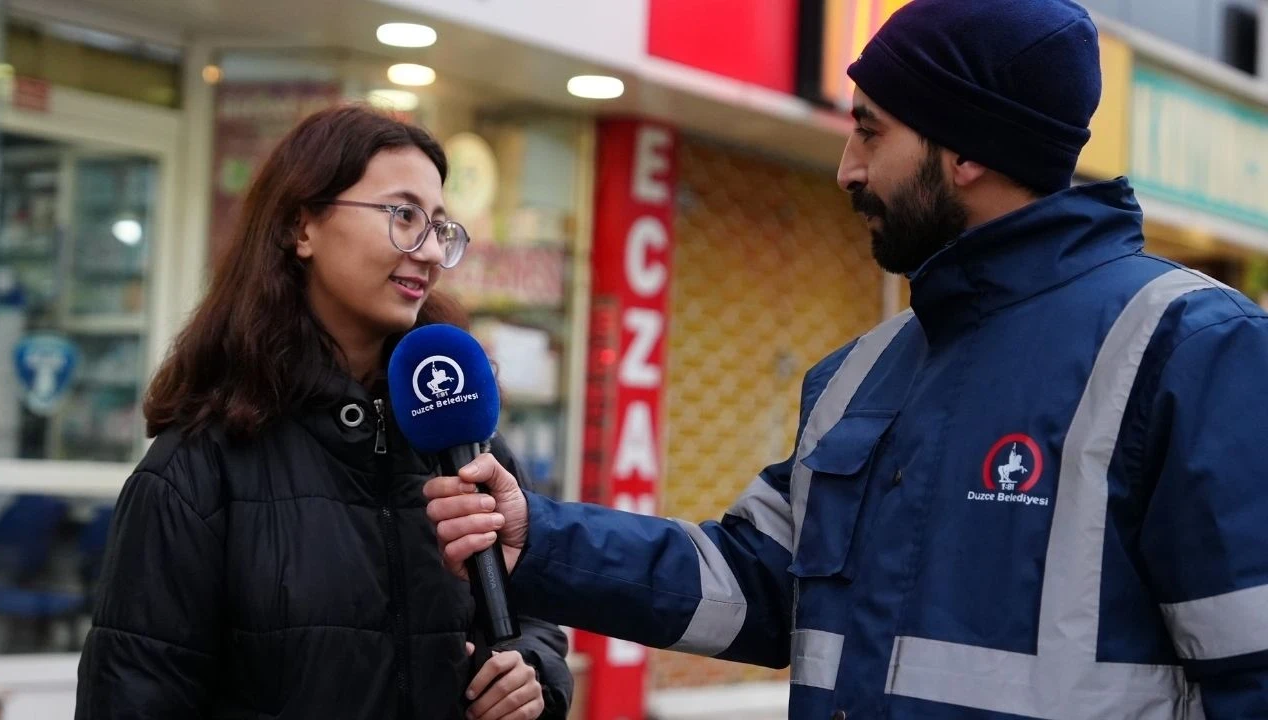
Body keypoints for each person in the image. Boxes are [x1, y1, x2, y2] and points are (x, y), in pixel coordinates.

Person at [423, 1, 1268, 718]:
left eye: (870, 131)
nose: (846, 169)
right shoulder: (856, 374)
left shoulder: (1190, 348)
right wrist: (542, 536)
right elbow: (756, 587)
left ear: (967, 149)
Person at [75, 104, 571, 720]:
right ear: (300, 227)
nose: (426, 251)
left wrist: (532, 678)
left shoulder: (461, 437)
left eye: (438, 227)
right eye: (402, 214)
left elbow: (534, 623)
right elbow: (134, 692)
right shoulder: (197, 467)